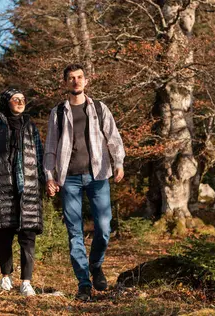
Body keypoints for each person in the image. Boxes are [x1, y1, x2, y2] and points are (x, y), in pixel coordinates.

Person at [44, 64, 125, 301]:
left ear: (86, 81)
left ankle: (96, 265)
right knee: (74, 232)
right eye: (71, 78)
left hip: (98, 175)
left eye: (79, 77)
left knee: (104, 227)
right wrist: (49, 176)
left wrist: (118, 162)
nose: (76, 81)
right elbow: (50, 148)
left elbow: (113, 137)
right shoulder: (58, 112)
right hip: (68, 179)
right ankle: (83, 284)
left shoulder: (99, 108)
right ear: (65, 83)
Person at [0, 88, 44, 297]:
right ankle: (5, 277)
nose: (20, 102)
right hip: (0, 188)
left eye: (23, 99)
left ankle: (26, 282)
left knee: (28, 234)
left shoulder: (32, 128)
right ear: (7, 102)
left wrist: (47, 181)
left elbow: (40, 158)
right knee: (3, 234)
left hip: (28, 187)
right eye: (16, 99)